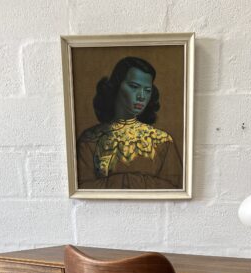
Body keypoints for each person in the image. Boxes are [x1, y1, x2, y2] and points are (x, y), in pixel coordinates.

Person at [77, 56, 183, 190]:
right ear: (116, 86)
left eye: (147, 90)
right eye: (134, 87)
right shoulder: (90, 139)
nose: (141, 96)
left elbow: (176, 188)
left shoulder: (163, 141)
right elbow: (82, 189)